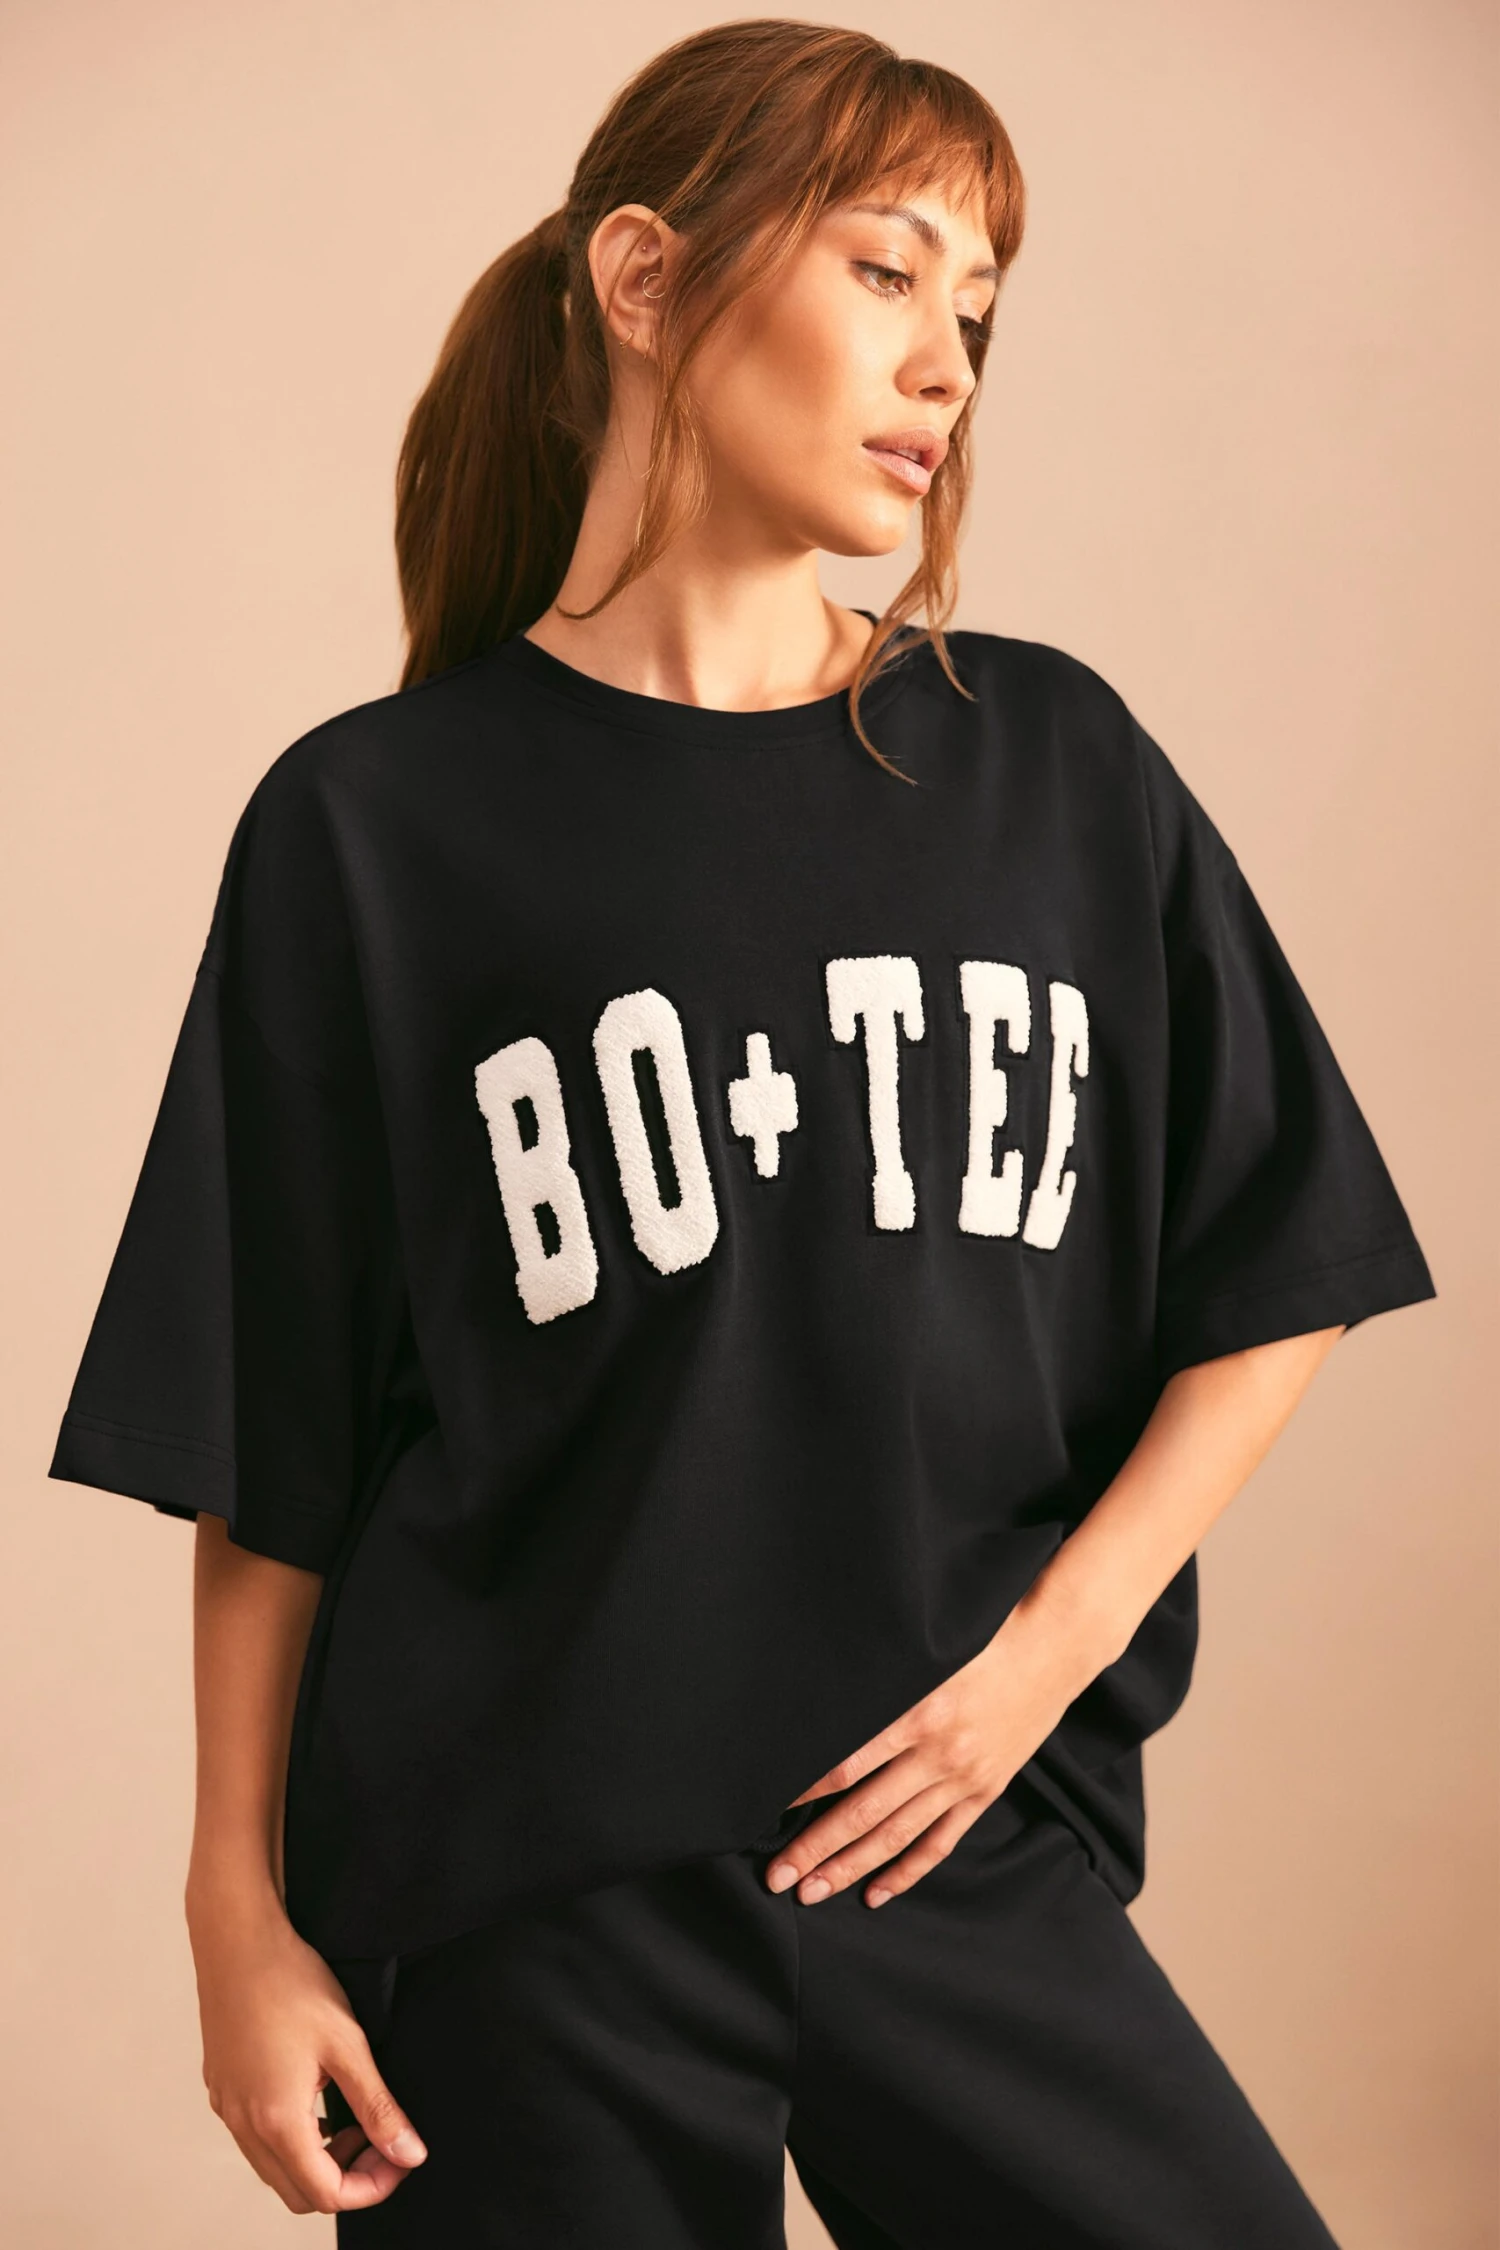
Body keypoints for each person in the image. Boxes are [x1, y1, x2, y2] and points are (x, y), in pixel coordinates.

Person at [48, 19, 1437, 2247]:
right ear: (643, 277)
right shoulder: (375, 828)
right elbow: (276, 1437)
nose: (946, 363)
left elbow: (1283, 1263)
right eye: (887, 271)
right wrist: (236, 1911)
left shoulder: (1049, 769)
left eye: (979, 309)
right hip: (523, 1905)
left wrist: (1035, 1673)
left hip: (949, 1839)